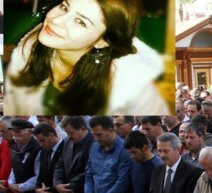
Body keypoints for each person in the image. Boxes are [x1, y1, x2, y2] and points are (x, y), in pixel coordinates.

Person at [5, 0, 168, 115]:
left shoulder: (131, 87)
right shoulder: (31, 45)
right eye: (64, 6)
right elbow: (12, 102)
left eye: (80, 22)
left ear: (102, 42)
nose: (56, 20)